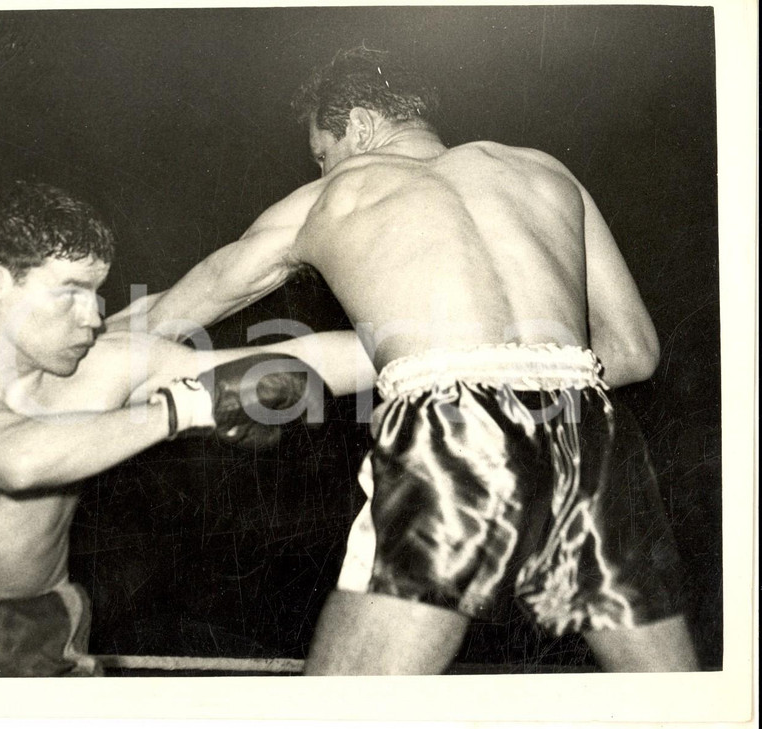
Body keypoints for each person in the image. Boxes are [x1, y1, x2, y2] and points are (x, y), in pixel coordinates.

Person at [106, 47, 699, 674]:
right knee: (678, 704)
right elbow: (635, 351)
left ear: (359, 126)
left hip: (455, 436)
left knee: (344, 710)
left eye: (322, 152)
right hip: (591, 433)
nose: (323, 167)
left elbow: (173, 311)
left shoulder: (331, 195)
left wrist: (70, 345)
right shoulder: (547, 172)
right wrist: (488, 355)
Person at [0, 181, 375, 678]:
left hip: (29, 628)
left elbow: (304, 361)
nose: (95, 315)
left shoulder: (105, 364)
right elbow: (16, 459)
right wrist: (181, 411)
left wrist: (437, 354)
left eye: (97, 293)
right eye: (71, 293)